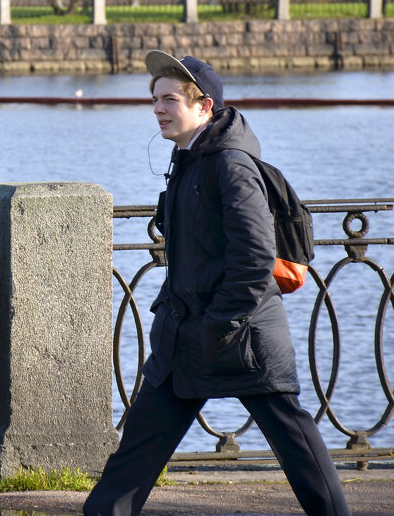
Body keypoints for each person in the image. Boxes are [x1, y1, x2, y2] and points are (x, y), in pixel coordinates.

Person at [84, 50, 351, 516]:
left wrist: (220, 324)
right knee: (136, 452)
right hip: (186, 336)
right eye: (154, 100)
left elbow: (254, 258)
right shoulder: (188, 156)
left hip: (240, 337)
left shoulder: (231, 164)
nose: (158, 109)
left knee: (298, 448)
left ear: (204, 106)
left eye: (169, 100)